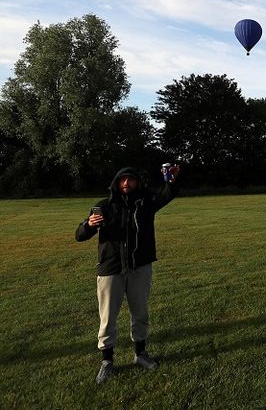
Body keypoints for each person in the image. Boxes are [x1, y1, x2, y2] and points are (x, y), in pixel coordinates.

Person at [75, 165, 180, 385]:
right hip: (110, 269)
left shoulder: (145, 203)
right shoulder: (104, 206)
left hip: (139, 267)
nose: (126, 184)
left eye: (130, 180)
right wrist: (88, 225)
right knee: (107, 318)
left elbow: (167, 195)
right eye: (122, 180)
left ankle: (140, 354)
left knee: (140, 312)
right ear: (116, 182)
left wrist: (170, 181)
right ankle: (107, 362)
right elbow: (80, 235)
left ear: (137, 182)